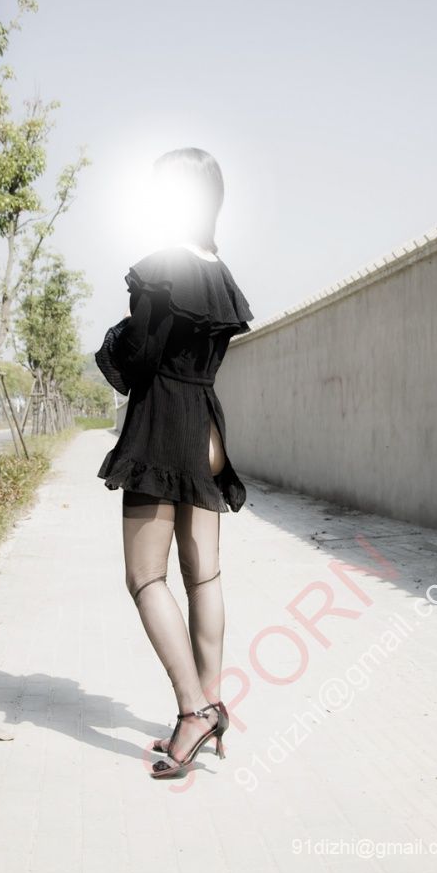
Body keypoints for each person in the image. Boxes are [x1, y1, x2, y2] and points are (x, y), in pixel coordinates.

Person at [95, 147, 254, 779]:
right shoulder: (221, 272)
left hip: (162, 424)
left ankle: (194, 710)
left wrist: (118, 333)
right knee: (204, 577)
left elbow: (137, 358)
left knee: (145, 577)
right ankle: (212, 700)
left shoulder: (163, 266)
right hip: (206, 426)